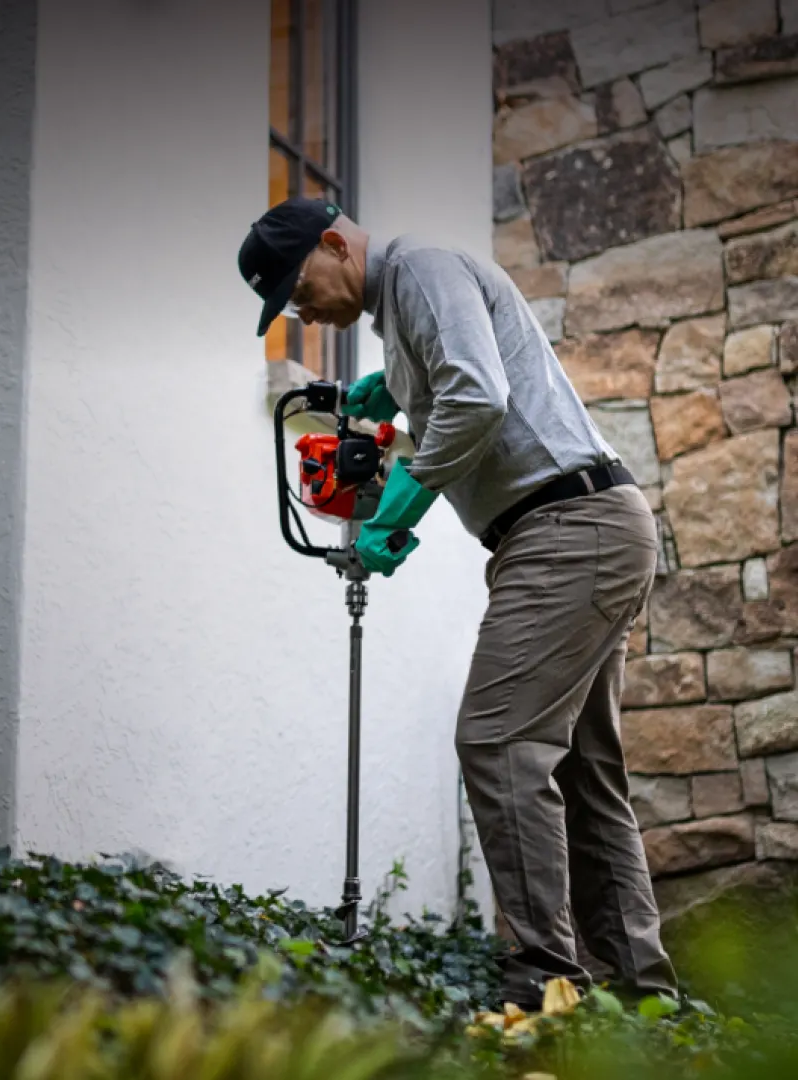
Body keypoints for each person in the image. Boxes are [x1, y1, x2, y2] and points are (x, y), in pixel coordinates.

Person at [235, 196, 678, 1011]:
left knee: (497, 738)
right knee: (582, 771)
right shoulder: (405, 307)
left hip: (566, 527)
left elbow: (477, 396)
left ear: (335, 244)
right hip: (579, 529)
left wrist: (401, 504)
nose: (300, 312)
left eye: (298, 290)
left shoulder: (420, 272)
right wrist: (391, 391)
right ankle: (646, 1000)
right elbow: (458, 382)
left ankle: (544, 986)